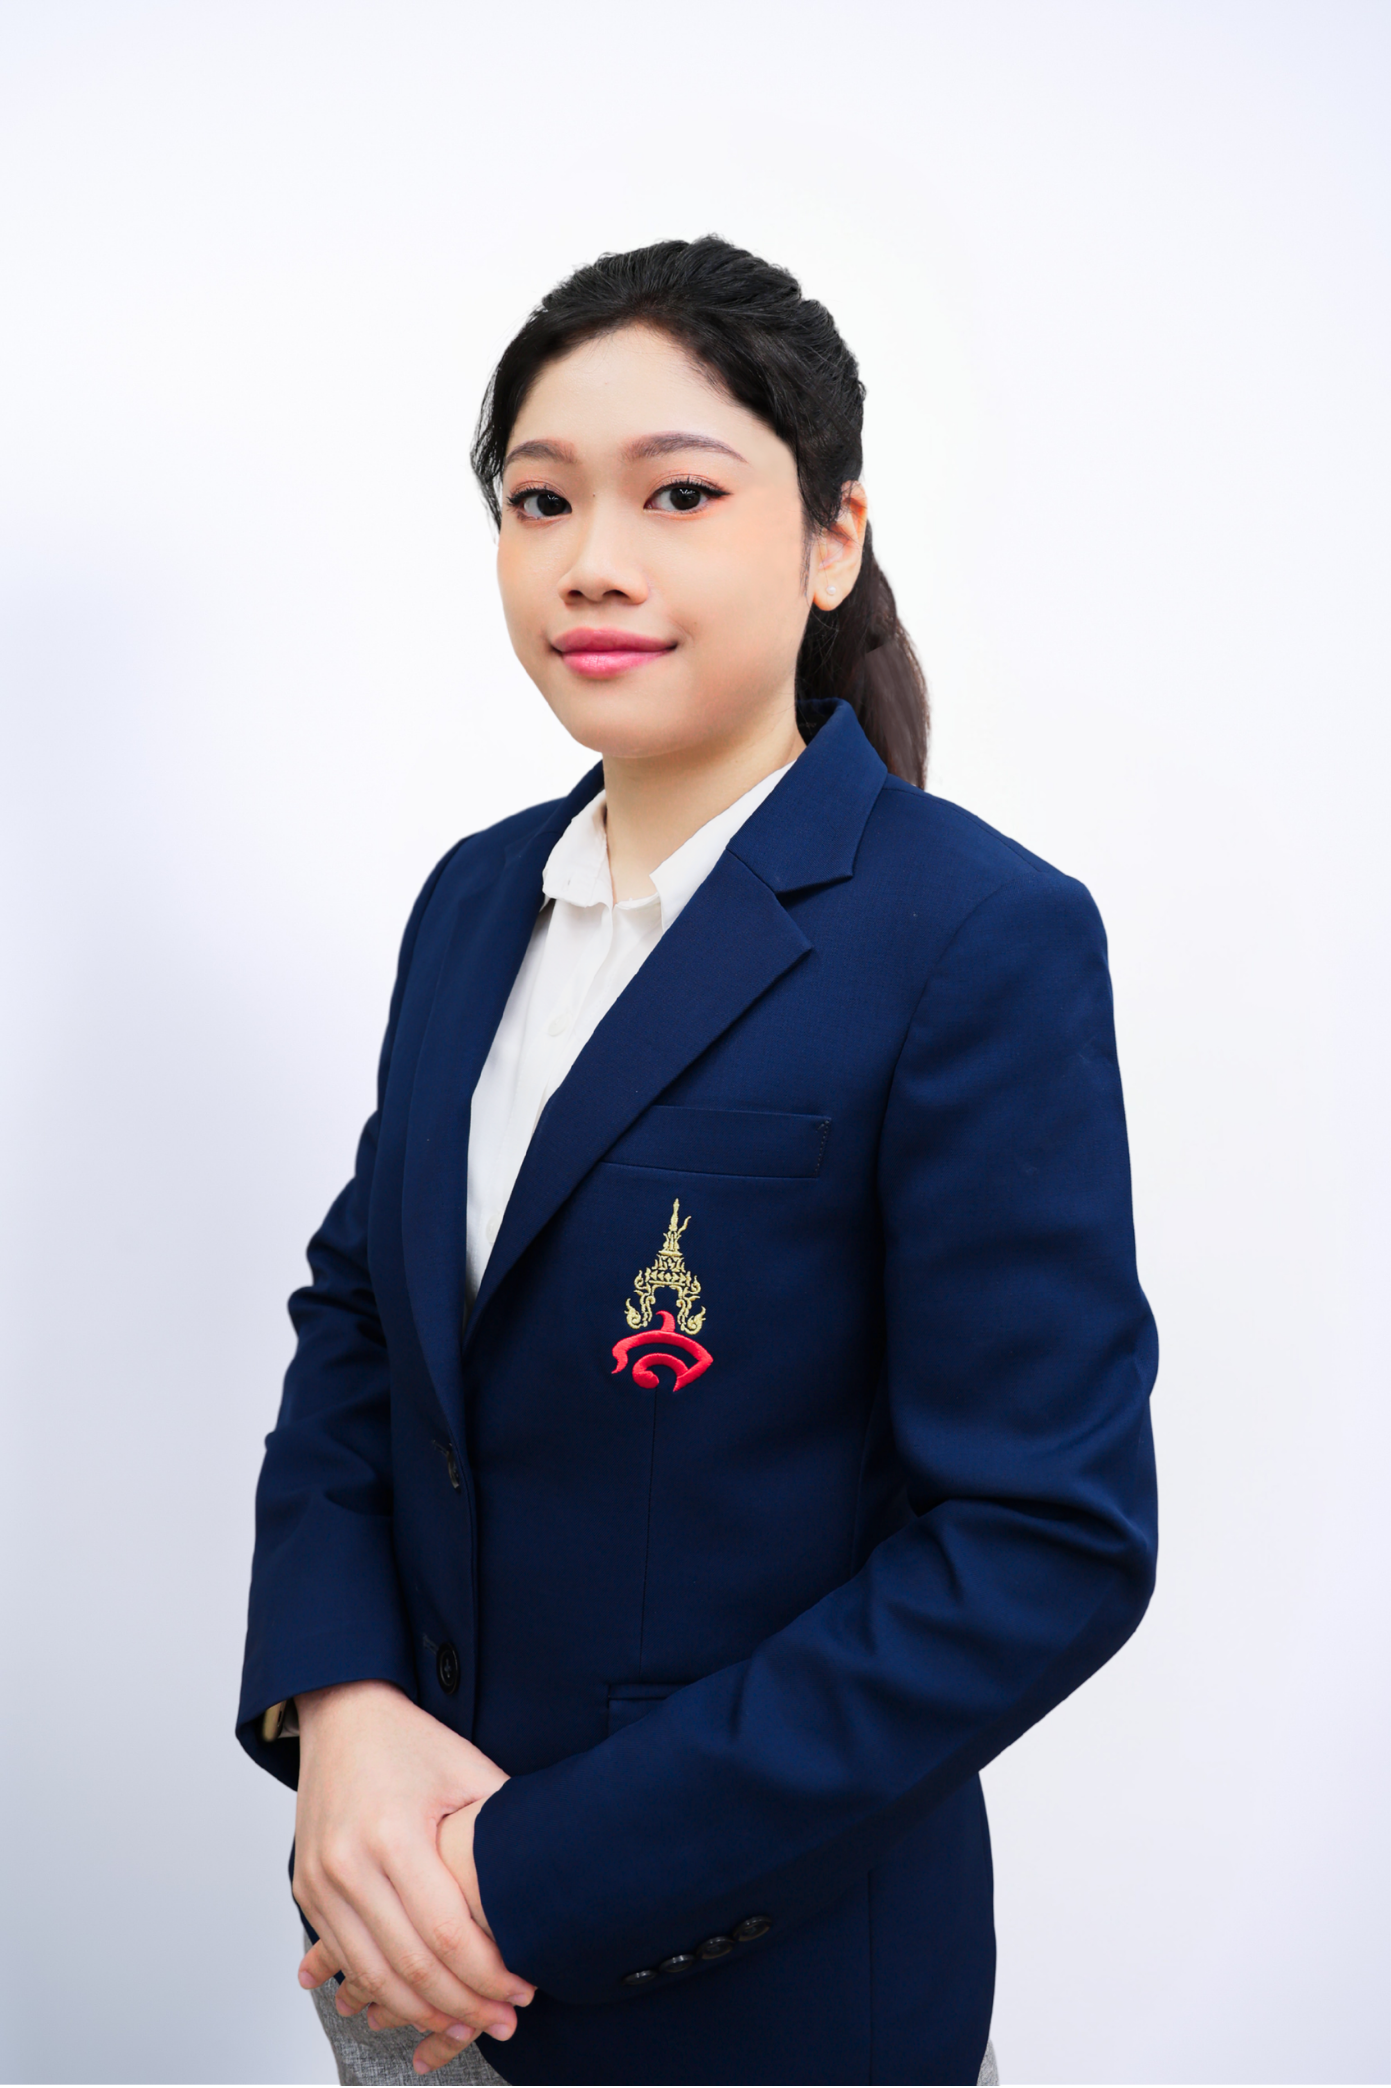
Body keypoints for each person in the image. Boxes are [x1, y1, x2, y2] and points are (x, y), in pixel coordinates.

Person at [237, 236, 1159, 2088]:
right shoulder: (474, 900)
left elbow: (1038, 1545)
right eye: (539, 500)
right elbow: (366, 1323)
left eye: (678, 494)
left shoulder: (973, 935)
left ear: (830, 541)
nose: (592, 559)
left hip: (747, 1992)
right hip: (393, 1949)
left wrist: (524, 1879)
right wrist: (338, 1707)